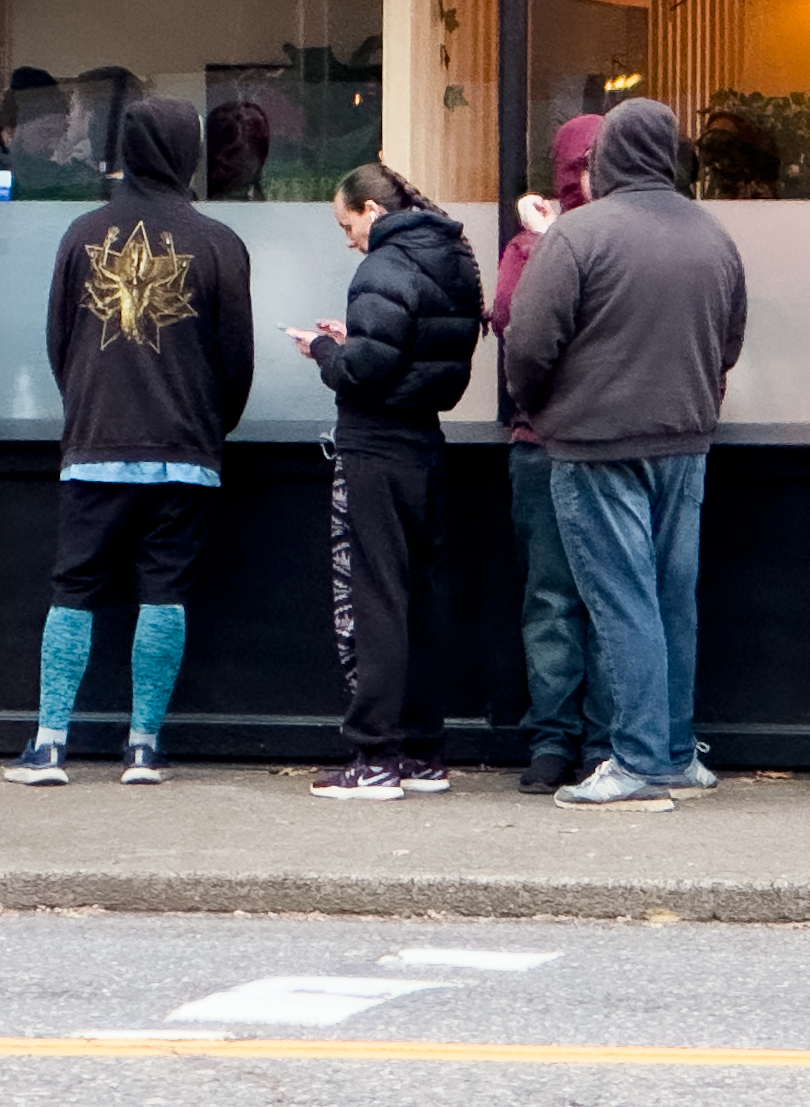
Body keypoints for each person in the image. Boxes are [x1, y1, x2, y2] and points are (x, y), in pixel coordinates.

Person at [500, 99, 748, 812]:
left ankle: (634, 760)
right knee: (672, 599)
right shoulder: (713, 236)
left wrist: (545, 410)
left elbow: (528, 344)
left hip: (594, 444)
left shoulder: (578, 237)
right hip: (684, 442)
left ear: (607, 157)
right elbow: (729, 340)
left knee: (621, 599)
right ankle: (674, 750)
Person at [12, 95, 254, 786]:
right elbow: (235, 359)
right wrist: (211, 424)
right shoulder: (218, 242)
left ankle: (49, 743)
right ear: (188, 152)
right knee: (164, 593)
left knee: (74, 590)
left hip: (94, 444)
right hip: (186, 452)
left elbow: (59, 341)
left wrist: (87, 407)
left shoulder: (82, 233)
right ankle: (143, 747)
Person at [294, 161, 485, 801]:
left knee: (375, 598)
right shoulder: (454, 259)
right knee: (421, 601)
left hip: (374, 449)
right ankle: (424, 753)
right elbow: (417, 351)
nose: (347, 238)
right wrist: (357, 340)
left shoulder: (380, 266)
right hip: (425, 445)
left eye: (347, 224)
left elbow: (365, 374)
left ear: (372, 213)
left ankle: (374, 757)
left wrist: (324, 352)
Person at [493, 112, 606, 794]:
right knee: (552, 600)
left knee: (607, 600)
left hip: (604, 440)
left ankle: (603, 740)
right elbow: (509, 319)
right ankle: (554, 738)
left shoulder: (628, 234)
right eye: (587, 161)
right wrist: (545, 245)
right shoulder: (526, 246)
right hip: (541, 445)